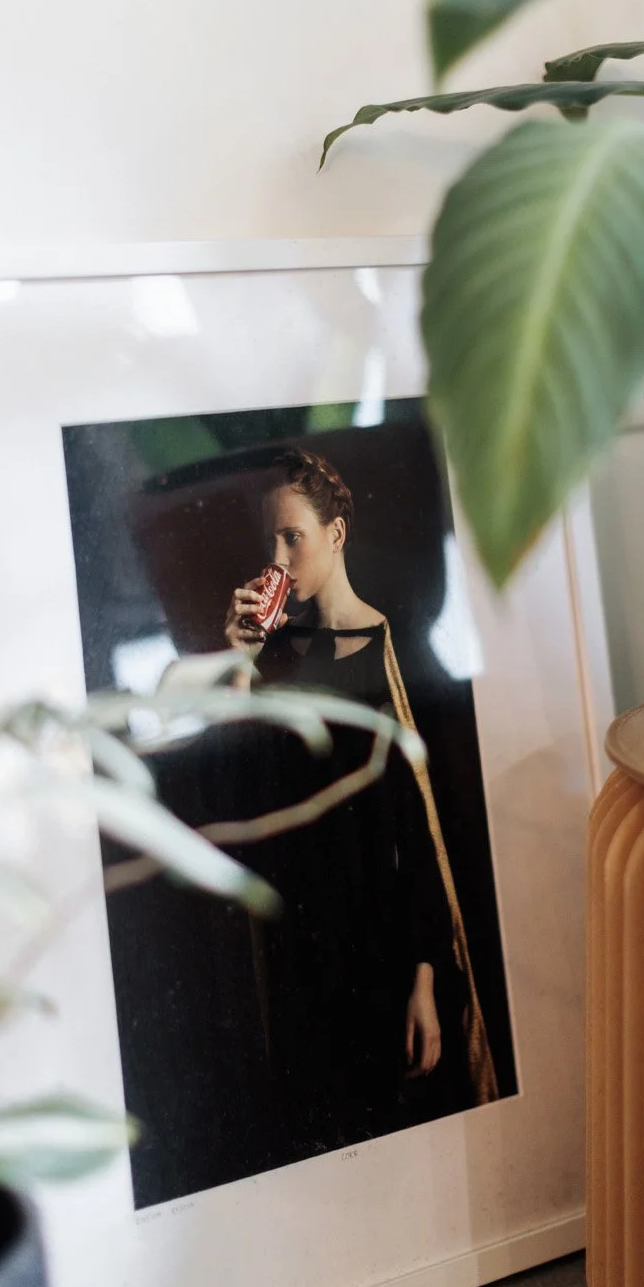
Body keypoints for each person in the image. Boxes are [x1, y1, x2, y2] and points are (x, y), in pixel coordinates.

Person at [223, 447, 497, 1157]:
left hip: (392, 955)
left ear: (336, 534)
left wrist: (426, 979)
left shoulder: (397, 649)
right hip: (312, 959)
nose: (277, 558)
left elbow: (425, 829)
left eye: (293, 537)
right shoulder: (285, 660)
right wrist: (237, 664)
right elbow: (250, 799)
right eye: (270, 541)